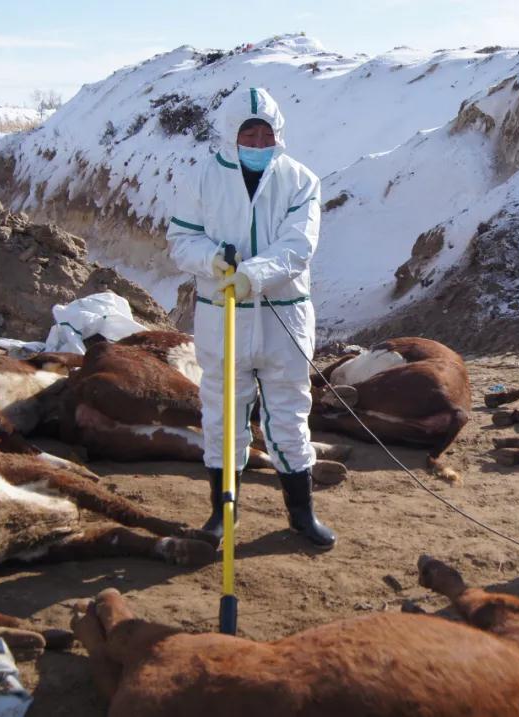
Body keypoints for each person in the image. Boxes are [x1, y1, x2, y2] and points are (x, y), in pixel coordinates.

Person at [166, 86, 335, 549]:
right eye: (249, 134)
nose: (259, 143)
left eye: (266, 134)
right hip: (223, 318)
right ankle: (223, 514)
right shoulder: (202, 179)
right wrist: (212, 262)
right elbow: (182, 240)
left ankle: (301, 513)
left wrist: (253, 276)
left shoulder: (300, 180)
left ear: (278, 135)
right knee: (222, 413)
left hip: (284, 317)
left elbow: (298, 246)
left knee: (289, 414)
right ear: (230, 135)